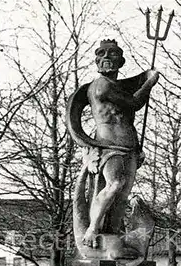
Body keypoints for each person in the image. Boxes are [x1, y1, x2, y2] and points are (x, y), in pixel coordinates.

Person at [66, 39, 159, 251]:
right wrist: (149, 82)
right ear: (96, 60)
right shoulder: (102, 85)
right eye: (101, 53)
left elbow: (128, 102)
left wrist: (146, 76)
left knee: (122, 194)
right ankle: (92, 229)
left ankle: (112, 236)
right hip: (109, 147)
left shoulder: (118, 86)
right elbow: (135, 102)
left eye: (113, 53)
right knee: (114, 184)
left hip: (130, 148)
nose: (106, 57)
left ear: (121, 61)